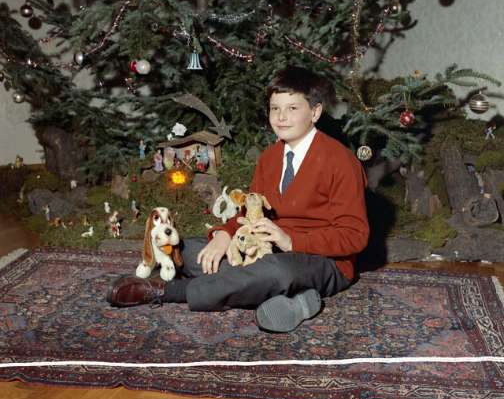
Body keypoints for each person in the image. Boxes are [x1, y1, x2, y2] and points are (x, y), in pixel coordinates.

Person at [107, 66, 369, 332]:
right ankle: (289, 296)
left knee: (277, 271)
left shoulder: (341, 162)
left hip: (321, 260)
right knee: (184, 248)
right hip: (262, 249)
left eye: (292, 108)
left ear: (315, 112)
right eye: (274, 108)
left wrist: (291, 241)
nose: (281, 117)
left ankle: (169, 290)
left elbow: (355, 236)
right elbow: (249, 212)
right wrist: (224, 235)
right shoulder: (270, 157)